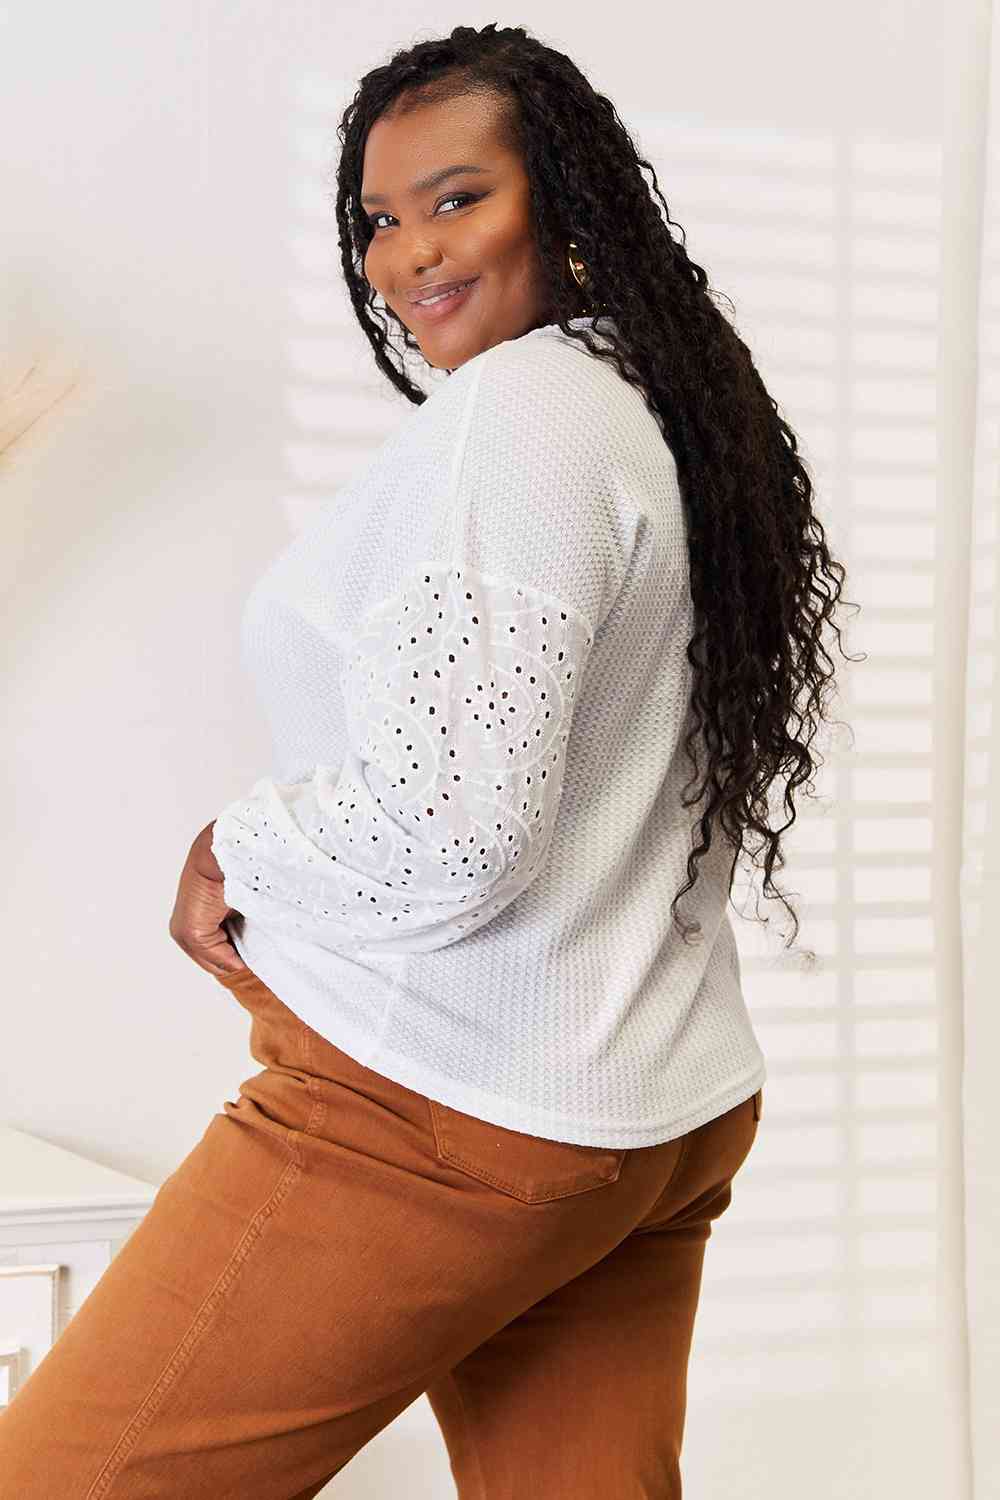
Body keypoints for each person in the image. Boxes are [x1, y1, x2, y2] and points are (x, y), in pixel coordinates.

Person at [0, 23, 855, 1498]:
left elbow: (456, 831)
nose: (408, 256)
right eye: (380, 221)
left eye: (457, 199)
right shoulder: (654, 408)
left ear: (566, 202)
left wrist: (234, 845)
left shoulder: (516, 420)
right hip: (648, 1109)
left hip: (438, 1116)